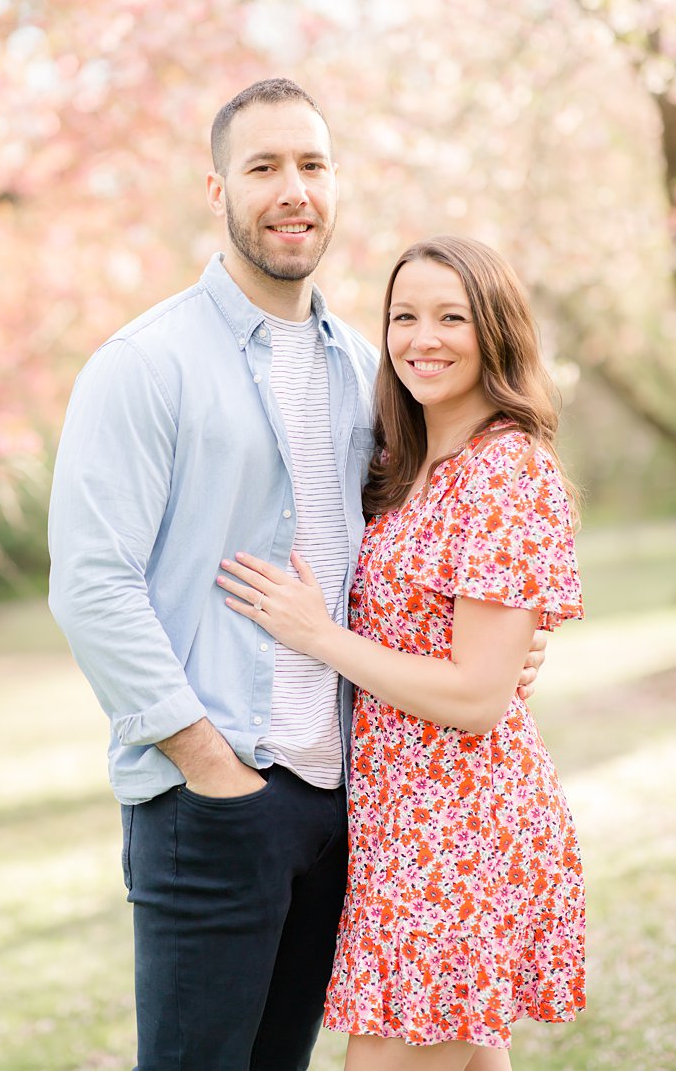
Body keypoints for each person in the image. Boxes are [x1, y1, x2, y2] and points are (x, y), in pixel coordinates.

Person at [47, 80, 543, 1069]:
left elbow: (419, 550)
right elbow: (93, 583)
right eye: (264, 166)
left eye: (312, 165)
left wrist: (495, 648)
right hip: (213, 797)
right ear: (217, 186)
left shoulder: (370, 369)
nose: (292, 191)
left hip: (342, 801)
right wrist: (206, 763)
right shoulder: (146, 365)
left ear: (336, 183)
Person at [215, 235, 585, 1071]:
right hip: (399, 823)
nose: (424, 337)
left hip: (461, 828)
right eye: (404, 315)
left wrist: (320, 637)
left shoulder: (505, 471)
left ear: (495, 331)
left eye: (452, 316)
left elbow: (478, 697)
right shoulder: (404, 463)